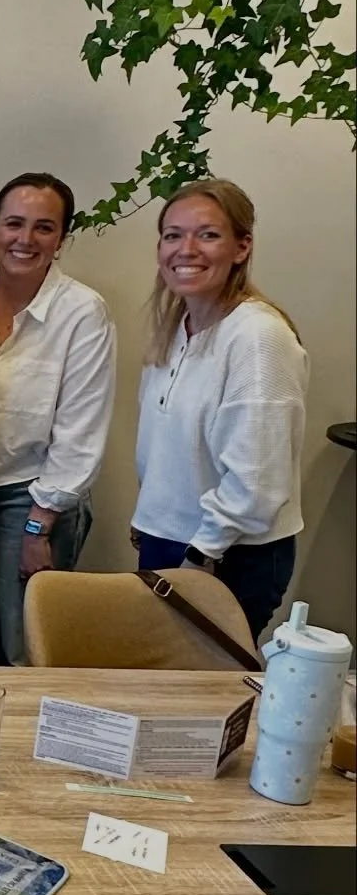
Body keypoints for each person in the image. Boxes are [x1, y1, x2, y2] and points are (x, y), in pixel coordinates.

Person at [0, 173, 116, 664]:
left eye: (44, 227)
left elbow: (81, 430)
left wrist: (40, 526)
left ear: (61, 239)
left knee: (23, 644)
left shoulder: (82, 312)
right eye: (14, 224)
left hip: (33, 497)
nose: (25, 239)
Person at [132, 179, 307, 639]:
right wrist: (148, 517)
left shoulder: (258, 337)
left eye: (207, 235)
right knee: (161, 676)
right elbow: (167, 449)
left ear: (242, 247)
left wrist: (200, 555)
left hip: (224, 555)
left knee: (204, 681)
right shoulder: (176, 328)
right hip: (170, 541)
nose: (186, 249)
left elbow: (258, 481)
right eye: (173, 235)